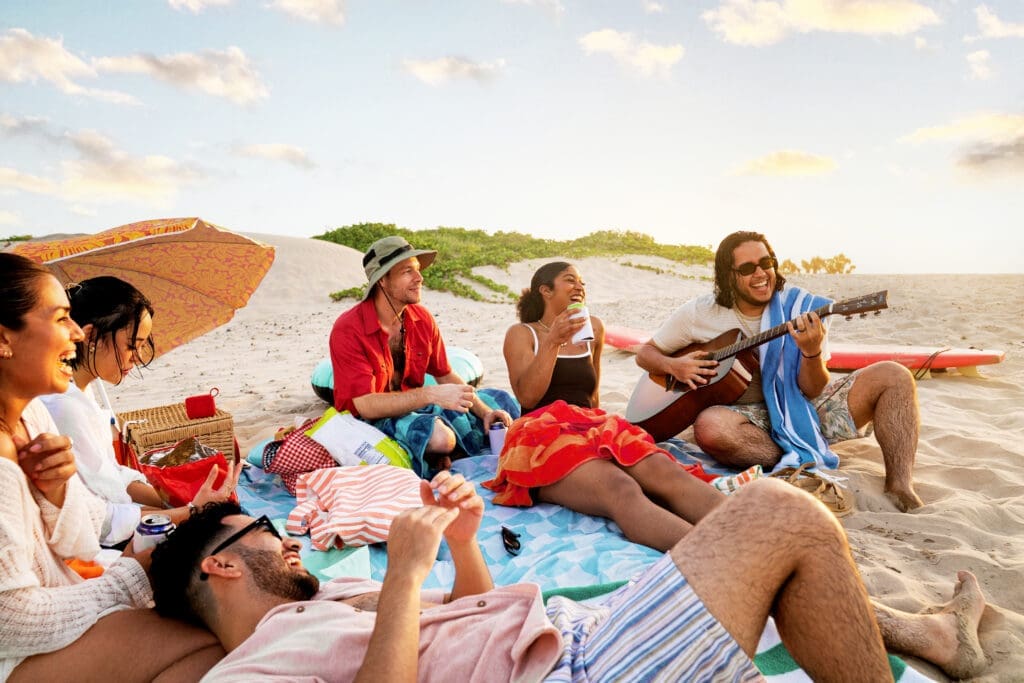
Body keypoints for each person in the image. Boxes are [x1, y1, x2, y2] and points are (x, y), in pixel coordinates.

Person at [150, 479, 989, 681]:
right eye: (264, 530)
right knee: (778, 512)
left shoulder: (323, 600)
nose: (287, 540)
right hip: (570, 671)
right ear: (221, 561)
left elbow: (464, 609)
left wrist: (464, 546)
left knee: (773, 541)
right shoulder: (249, 669)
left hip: (560, 639)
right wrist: (403, 570)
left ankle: (921, 635)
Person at [0, 253, 223, 680]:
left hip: (61, 596)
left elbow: (82, 539)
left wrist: (59, 494)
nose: (76, 334)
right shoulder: (49, 418)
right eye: (61, 318)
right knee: (209, 646)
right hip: (17, 648)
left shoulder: (32, 418)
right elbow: (9, 621)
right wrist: (131, 577)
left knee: (210, 617)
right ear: (3, 339)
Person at [635, 231, 924, 512]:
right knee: (709, 427)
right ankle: (800, 451)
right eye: (747, 268)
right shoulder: (700, 313)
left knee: (894, 375)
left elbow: (812, 390)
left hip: (803, 407)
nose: (761, 273)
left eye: (767, 263)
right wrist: (675, 366)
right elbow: (645, 353)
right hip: (748, 420)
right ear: (728, 276)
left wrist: (811, 351)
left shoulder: (800, 308)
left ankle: (900, 487)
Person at [487, 262, 724, 551]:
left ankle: (753, 532)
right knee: (621, 488)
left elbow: (593, 397)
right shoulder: (523, 334)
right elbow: (527, 398)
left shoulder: (594, 328)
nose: (579, 287)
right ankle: (716, 555)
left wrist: (606, 437)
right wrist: (552, 341)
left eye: (582, 283)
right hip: (541, 434)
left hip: (591, 425)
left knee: (664, 471)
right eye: (570, 280)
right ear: (546, 291)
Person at [40, 276, 241, 547]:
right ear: (90, 337)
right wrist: (189, 511)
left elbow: (111, 476)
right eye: (132, 345)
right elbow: (100, 520)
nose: (137, 356)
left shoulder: (84, 392)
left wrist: (173, 500)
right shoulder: (63, 405)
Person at [330, 235, 515, 475]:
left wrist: (484, 411)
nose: (420, 278)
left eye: (417, 269)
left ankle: (436, 453)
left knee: (501, 402)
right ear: (383, 281)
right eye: (407, 271)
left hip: (416, 407)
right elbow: (366, 406)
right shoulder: (349, 329)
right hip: (367, 421)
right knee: (440, 438)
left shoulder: (421, 318)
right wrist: (432, 395)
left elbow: (445, 373)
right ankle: (440, 451)